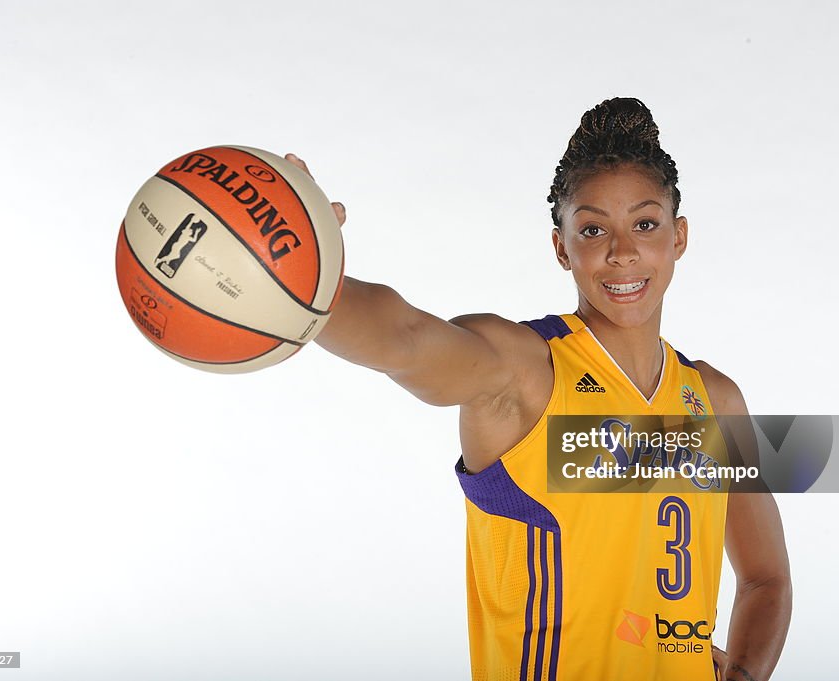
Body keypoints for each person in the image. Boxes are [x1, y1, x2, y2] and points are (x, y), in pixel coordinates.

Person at [292, 97, 792, 681]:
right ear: (562, 248)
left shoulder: (715, 401)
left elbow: (765, 578)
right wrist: (308, 273)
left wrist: (743, 673)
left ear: (678, 237)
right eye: (593, 228)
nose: (622, 250)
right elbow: (404, 337)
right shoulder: (524, 373)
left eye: (646, 224)